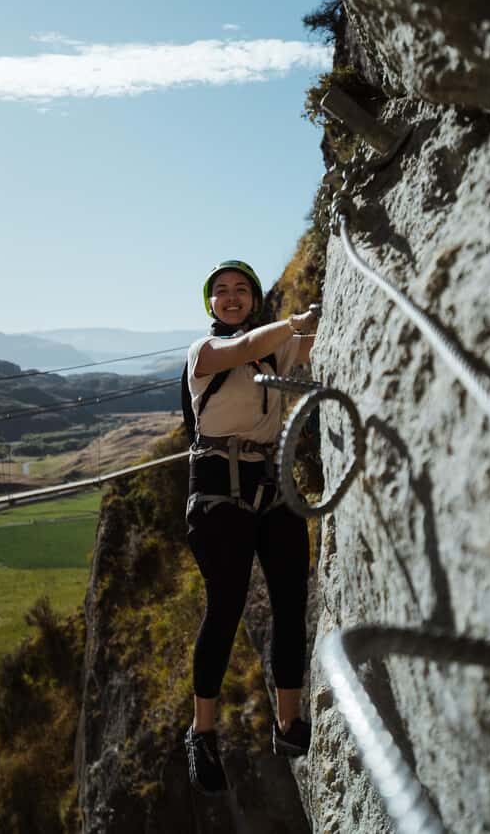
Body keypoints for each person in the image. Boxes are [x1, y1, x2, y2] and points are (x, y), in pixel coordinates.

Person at [183, 259, 317, 795]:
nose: (232, 297)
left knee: (291, 598)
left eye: (242, 290)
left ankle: (288, 723)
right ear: (210, 304)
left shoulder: (276, 349)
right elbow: (238, 351)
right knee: (226, 605)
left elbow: (310, 344)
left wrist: (307, 325)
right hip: (217, 489)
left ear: (254, 299)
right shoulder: (204, 352)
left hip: (269, 477)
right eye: (222, 292)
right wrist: (292, 324)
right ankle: (203, 731)